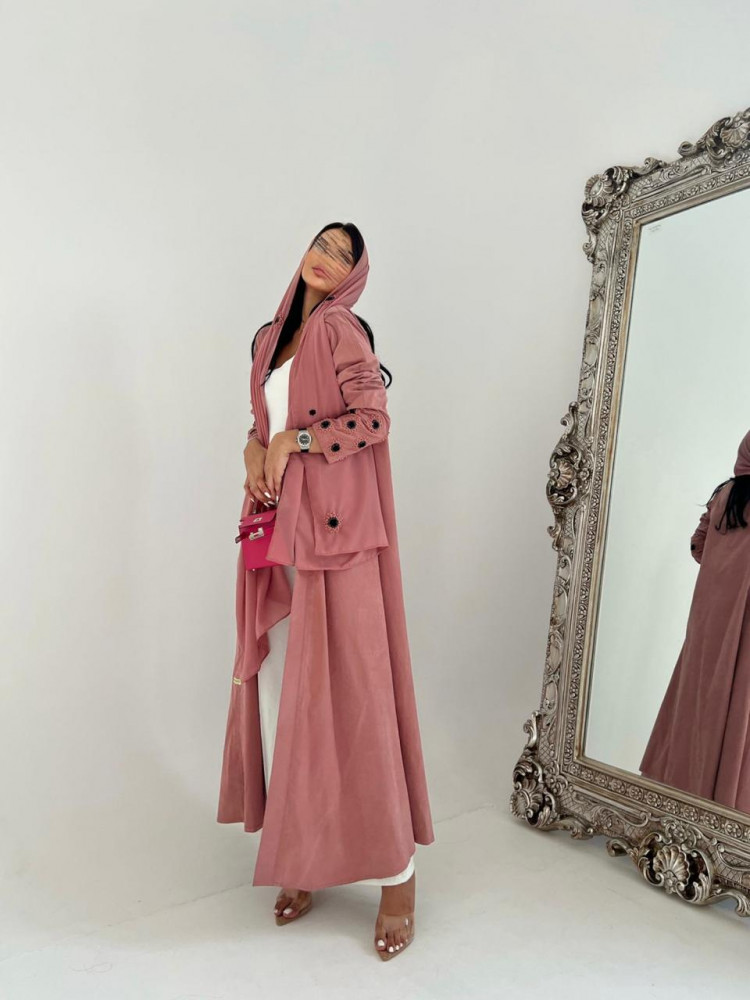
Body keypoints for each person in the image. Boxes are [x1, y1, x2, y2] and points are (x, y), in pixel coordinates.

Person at [216, 222, 435, 960]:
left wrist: (297, 442)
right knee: (287, 700)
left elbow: (372, 419)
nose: (328, 259)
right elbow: (265, 421)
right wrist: (256, 444)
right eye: (323, 244)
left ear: (354, 276)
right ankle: (303, 853)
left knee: (355, 696)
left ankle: (396, 878)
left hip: (335, 537)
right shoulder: (268, 338)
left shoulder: (342, 329)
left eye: (345, 255)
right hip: (275, 528)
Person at [639, 430, 750, 811]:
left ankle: (682, 788)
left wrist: (723, 569)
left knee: (698, 695)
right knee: (740, 702)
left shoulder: (723, 495)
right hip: (744, 622)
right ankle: (726, 802)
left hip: (707, 618)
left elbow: (697, 546)